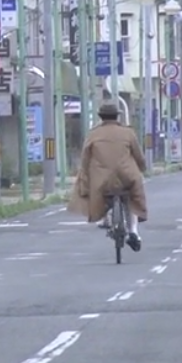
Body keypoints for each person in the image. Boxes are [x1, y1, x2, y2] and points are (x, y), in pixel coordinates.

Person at [67, 100, 149, 251]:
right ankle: (134, 232)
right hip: (127, 176)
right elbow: (138, 156)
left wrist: (84, 176)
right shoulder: (128, 132)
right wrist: (142, 168)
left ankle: (104, 218)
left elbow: (85, 159)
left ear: (101, 117)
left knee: (98, 191)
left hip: (102, 179)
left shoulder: (93, 134)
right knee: (132, 197)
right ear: (117, 117)